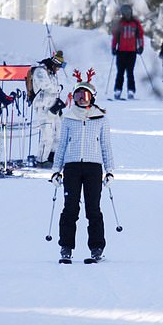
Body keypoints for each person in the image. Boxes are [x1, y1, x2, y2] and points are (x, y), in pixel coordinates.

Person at [50, 72, 115, 263]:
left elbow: (106, 146)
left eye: (84, 96)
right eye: (77, 96)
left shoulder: (101, 119)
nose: (81, 99)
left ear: (92, 97)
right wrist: (56, 170)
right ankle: (66, 247)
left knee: (93, 208)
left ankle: (96, 248)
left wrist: (109, 170)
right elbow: (62, 145)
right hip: (72, 168)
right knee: (70, 208)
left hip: (93, 168)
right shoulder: (69, 118)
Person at [31, 50, 66, 167]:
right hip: (44, 107)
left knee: (58, 134)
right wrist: (58, 88)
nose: (58, 70)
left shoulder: (51, 73)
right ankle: (41, 160)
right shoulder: (40, 71)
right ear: (54, 63)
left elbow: (53, 91)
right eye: (58, 67)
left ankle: (52, 156)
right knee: (47, 135)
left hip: (53, 107)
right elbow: (46, 86)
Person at [111, 4, 144, 100]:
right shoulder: (120, 23)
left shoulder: (135, 23)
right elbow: (115, 37)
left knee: (130, 72)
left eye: (128, 13)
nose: (127, 15)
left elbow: (140, 35)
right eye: (125, 13)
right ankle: (118, 90)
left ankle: (131, 90)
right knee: (120, 72)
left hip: (132, 52)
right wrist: (114, 47)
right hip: (121, 51)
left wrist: (141, 46)